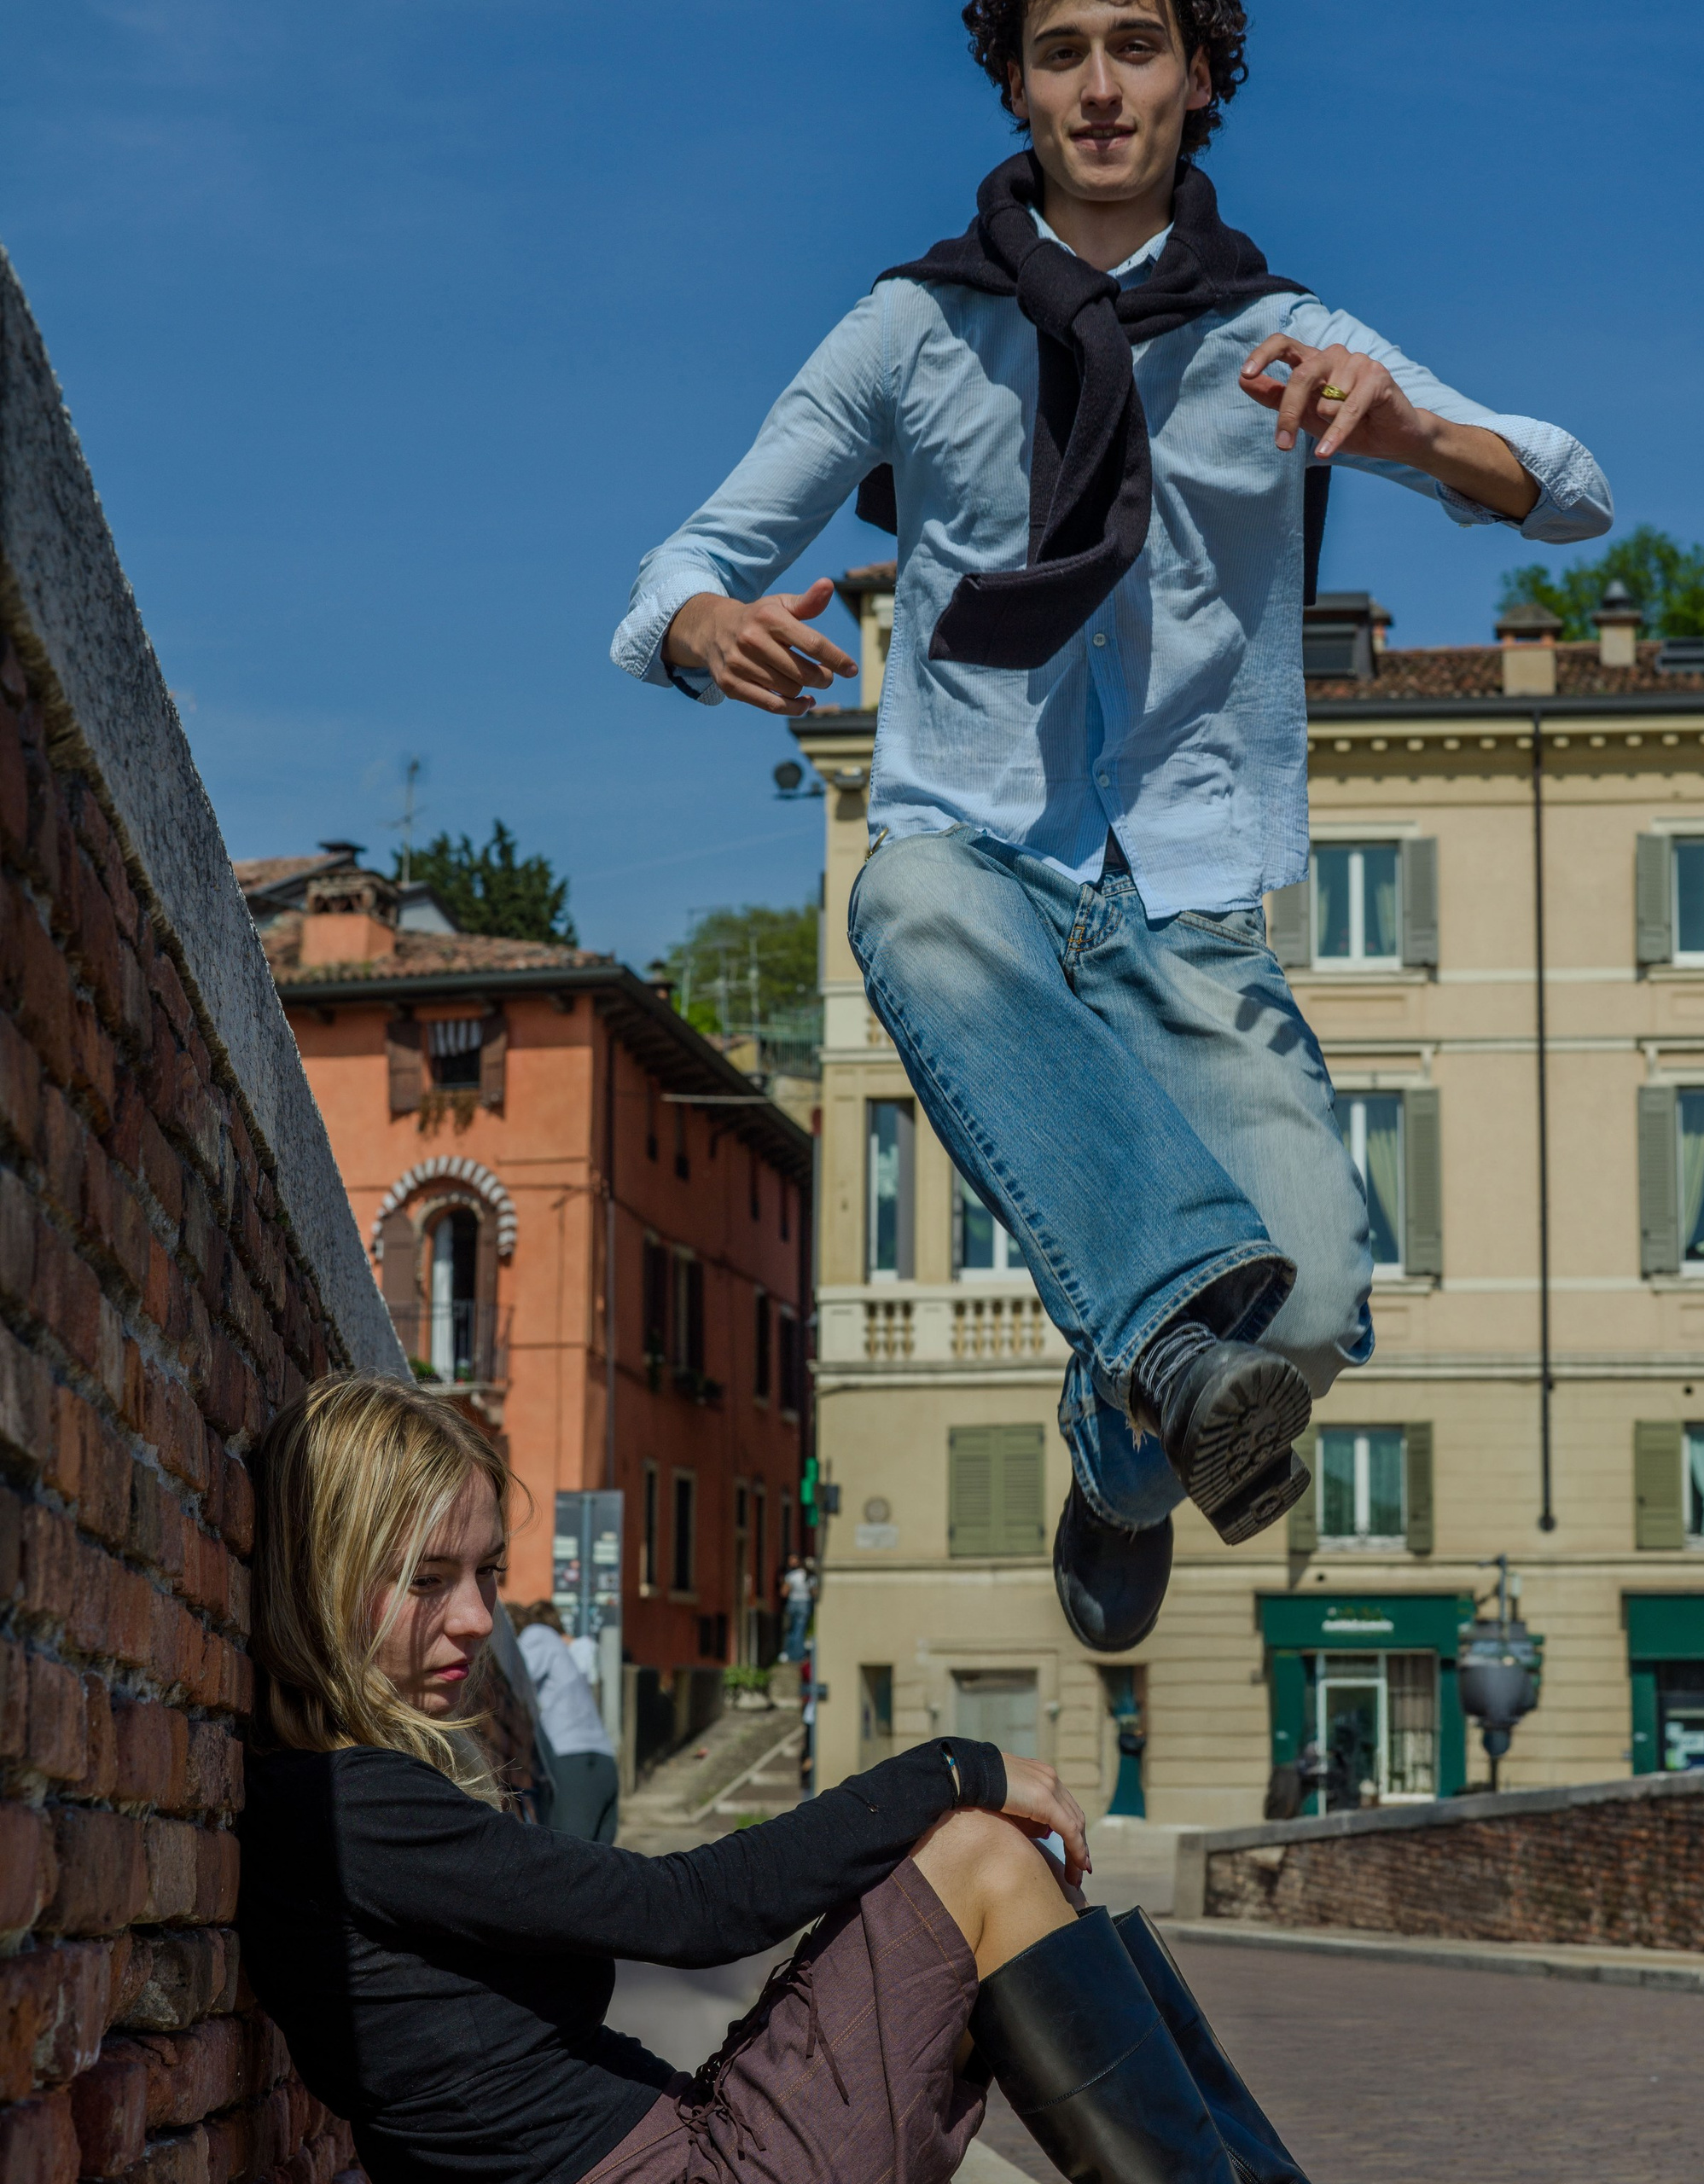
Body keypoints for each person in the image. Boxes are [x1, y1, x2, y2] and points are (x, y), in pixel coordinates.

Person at [611, 0, 1611, 1653]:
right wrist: (705, 626)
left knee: (1303, 1309)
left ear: (1198, 75)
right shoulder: (915, 329)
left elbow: (1567, 487)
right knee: (905, 899)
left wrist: (1409, 431)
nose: (1097, 88)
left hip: (1189, 904)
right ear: (1011, 79)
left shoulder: (1279, 336)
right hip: (982, 864)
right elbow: (685, 561)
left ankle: (1116, 1443)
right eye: (1059, 48)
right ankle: (1159, 1345)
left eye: (1136, 45)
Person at [238, 1375, 1316, 2184]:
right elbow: (688, 1910)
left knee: (991, 1881)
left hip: (692, 2143)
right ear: (328, 1576)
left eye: (485, 1573)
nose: (477, 1618)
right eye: (428, 1579)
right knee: (982, 1855)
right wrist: (951, 1767)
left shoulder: (350, 1803)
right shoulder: (347, 1810)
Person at [514, 1599, 622, 1844]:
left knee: (568, 1857)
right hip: (604, 1761)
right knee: (600, 1859)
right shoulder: (565, 1655)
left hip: (572, 1762)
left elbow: (516, 1675)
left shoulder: (539, 1634)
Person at [779, 1556, 813, 1664]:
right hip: (805, 1604)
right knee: (800, 1630)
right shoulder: (810, 1577)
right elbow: (813, 1592)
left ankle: (790, 1654)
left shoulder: (792, 1576)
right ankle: (799, 1655)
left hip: (793, 1603)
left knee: (791, 1630)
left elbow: (784, 1592)